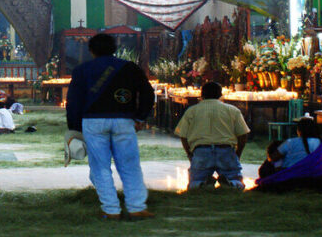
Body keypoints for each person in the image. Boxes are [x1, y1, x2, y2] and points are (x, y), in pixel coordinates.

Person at [67, 33, 154, 220]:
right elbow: (147, 92)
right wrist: (140, 117)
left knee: (100, 167)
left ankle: (111, 210)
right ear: (115, 49)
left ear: (91, 50)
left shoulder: (82, 70)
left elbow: (73, 101)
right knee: (130, 165)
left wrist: (74, 128)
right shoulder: (130, 68)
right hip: (124, 120)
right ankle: (137, 208)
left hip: (93, 121)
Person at [175, 81, 249, 190]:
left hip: (201, 151)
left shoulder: (192, 111)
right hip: (226, 150)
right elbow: (243, 134)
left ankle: (202, 184)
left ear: (202, 95)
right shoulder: (232, 110)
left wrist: (190, 154)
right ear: (220, 94)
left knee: (195, 182)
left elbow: (183, 135)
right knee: (235, 178)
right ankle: (231, 184)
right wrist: (237, 153)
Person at [255, 116, 322, 192]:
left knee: (269, 165)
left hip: (293, 178)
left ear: (299, 130)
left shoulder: (291, 142)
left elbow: (272, 158)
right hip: (319, 179)